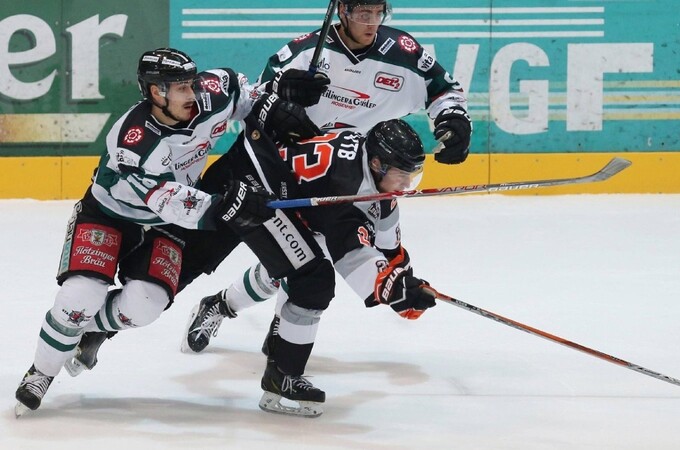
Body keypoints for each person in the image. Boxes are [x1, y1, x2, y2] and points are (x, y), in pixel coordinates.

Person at [13, 47, 319, 416]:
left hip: (164, 228)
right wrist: (224, 205)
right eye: (180, 88)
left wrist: (283, 91)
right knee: (81, 294)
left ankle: (78, 328)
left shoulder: (214, 90)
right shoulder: (134, 139)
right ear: (156, 92)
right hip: (110, 216)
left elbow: (249, 97)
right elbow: (169, 199)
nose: (192, 94)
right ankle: (42, 371)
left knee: (145, 306)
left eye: (190, 84)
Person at [183, 0, 471, 356]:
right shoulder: (304, 53)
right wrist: (284, 94)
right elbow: (256, 103)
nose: (371, 22)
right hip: (294, 174)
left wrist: (454, 119)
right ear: (342, 12)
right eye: (362, 13)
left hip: (361, 177)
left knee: (303, 260)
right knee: (299, 262)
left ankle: (238, 310)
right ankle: (228, 307)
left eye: (377, 13)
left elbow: (445, 90)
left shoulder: (403, 53)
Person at [241, 118, 438, 416]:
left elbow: (390, 251)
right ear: (376, 163)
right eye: (401, 174)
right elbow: (352, 256)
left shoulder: (374, 183)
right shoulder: (345, 186)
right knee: (311, 280)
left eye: (413, 174)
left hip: (305, 209)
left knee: (292, 274)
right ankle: (269, 359)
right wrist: (394, 291)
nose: (407, 184)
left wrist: (407, 284)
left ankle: (266, 344)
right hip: (259, 197)